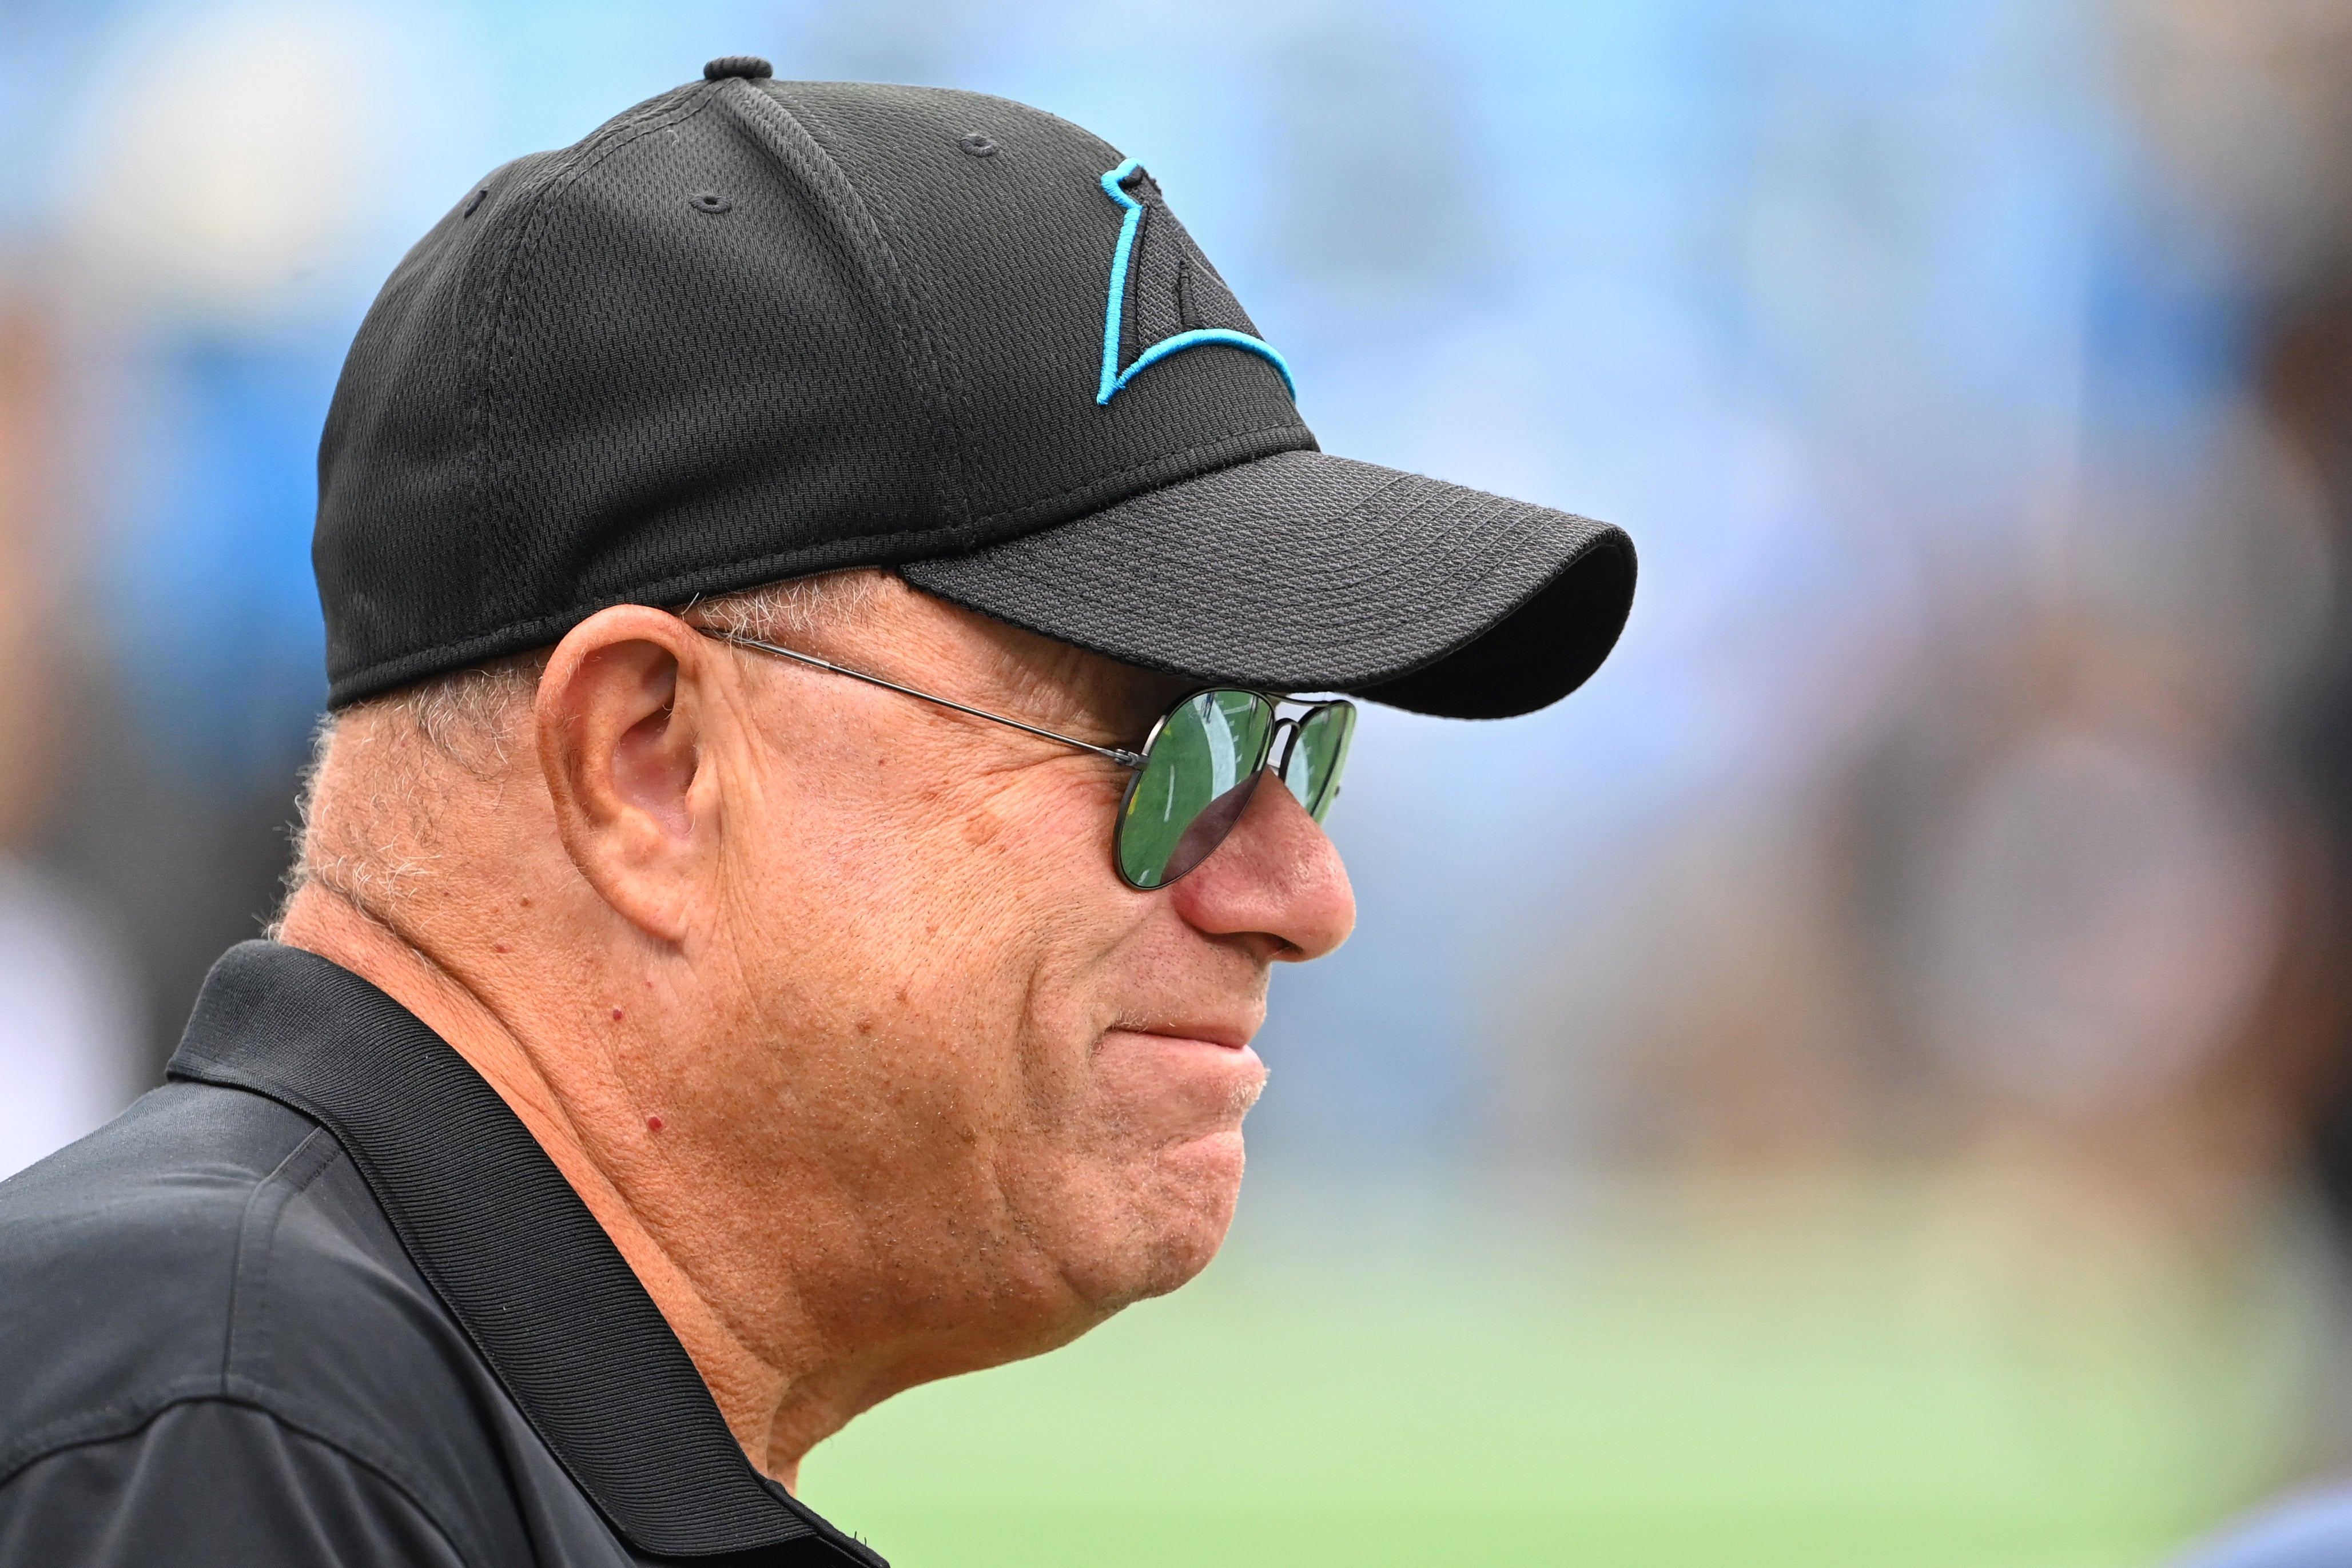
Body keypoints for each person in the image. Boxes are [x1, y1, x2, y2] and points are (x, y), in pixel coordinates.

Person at [0, 60, 1634, 1566]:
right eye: (1170, 748)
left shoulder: (358, 1410)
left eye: (1300, 747)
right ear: (648, 761)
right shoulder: (224, 1435)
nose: (1301, 888)